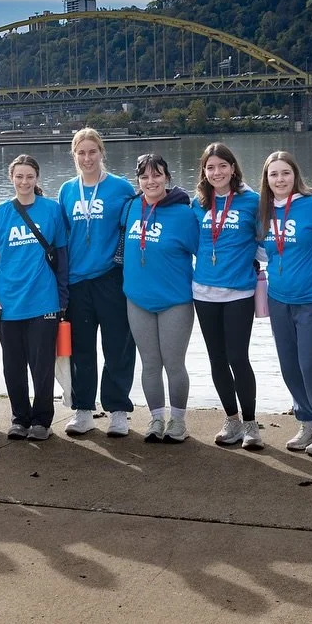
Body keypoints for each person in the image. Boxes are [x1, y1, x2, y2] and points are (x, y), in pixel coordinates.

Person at [258, 151, 312, 457]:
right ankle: (306, 422)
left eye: (285, 173)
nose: (280, 179)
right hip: (279, 299)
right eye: (273, 174)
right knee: (290, 367)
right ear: (266, 180)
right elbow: (262, 249)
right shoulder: (264, 210)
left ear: (295, 175)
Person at [0, 155, 68, 441]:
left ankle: (42, 420)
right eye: (19, 176)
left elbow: (62, 258)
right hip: (8, 303)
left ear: (37, 178)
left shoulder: (52, 210)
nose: (24, 181)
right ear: (11, 178)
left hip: (43, 301)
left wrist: (63, 297)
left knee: (42, 366)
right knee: (13, 365)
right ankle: (19, 418)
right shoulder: (0, 213)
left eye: (29, 176)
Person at [57, 128, 137, 437]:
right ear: (74, 155)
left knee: (118, 346)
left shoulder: (120, 187)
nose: (87, 158)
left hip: (110, 278)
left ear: (102, 153)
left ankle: (118, 410)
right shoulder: (66, 190)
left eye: (93, 151)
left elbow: (136, 227)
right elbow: (60, 238)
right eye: (81, 152)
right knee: (81, 349)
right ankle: (84, 410)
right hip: (77, 282)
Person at [119, 153, 199, 443]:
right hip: (137, 299)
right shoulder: (130, 208)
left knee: (174, 363)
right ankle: (156, 419)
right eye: (144, 176)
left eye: (157, 175)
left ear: (167, 177)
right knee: (150, 363)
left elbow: (203, 252)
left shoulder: (184, 214)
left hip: (174, 300)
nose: (150, 181)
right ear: (138, 181)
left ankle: (178, 422)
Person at [191, 143, 264, 450]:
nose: (217, 172)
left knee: (238, 357)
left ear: (233, 168)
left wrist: (252, 261)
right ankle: (231, 420)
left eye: (222, 166)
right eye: (210, 167)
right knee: (217, 359)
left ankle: (250, 424)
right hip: (204, 291)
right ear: (204, 172)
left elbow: (264, 240)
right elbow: (194, 242)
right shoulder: (198, 203)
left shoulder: (252, 201)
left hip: (239, 291)